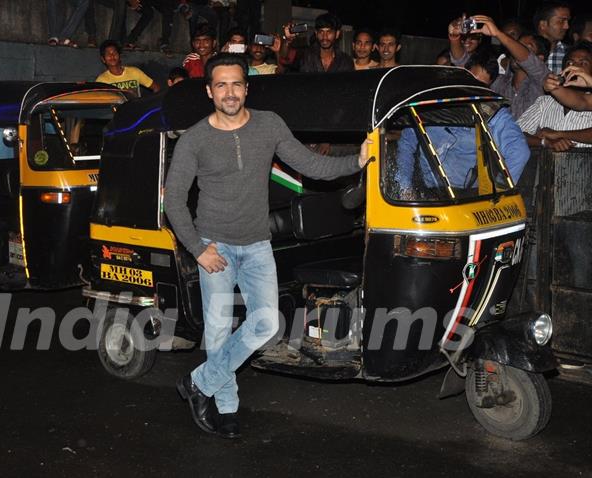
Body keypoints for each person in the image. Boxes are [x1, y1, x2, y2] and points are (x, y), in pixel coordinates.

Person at [165, 53, 370, 439]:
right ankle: (225, 407)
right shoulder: (195, 138)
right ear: (209, 91)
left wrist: (356, 161)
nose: (230, 92)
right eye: (221, 85)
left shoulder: (269, 125)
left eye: (236, 84)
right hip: (215, 246)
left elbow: (313, 166)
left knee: (266, 324)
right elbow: (173, 200)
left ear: (247, 87)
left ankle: (198, 383)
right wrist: (197, 248)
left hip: (258, 245)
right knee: (219, 331)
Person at [396, 106, 530, 196]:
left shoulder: (490, 111)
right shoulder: (427, 106)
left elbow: (519, 152)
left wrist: (499, 193)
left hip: (468, 196)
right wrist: (405, 188)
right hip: (430, 194)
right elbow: (406, 145)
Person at [470, 14, 551, 118]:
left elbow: (528, 60)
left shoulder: (542, 81)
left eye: (525, 48)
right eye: (517, 45)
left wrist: (498, 33)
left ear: (540, 58)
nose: (515, 51)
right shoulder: (500, 82)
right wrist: (455, 39)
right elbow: (467, 71)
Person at [518, 42, 592, 150]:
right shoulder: (545, 102)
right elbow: (515, 134)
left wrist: (560, 134)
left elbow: (582, 102)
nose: (575, 67)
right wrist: (544, 142)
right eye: (570, 63)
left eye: (583, 63)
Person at [285, 13, 353, 73]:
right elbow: (285, 58)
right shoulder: (305, 55)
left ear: (337, 34)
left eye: (329, 32)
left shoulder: (345, 61)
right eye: (321, 32)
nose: (325, 37)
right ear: (316, 33)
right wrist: (288, 40)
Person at [95, 40, 160, 96]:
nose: (112, 56)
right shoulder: (101, 80)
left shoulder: (135, 72)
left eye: (114, 53)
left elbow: (156, 87)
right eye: (108, 54)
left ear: (119, 56)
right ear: (103, 59)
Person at [533, 1, 571, 74]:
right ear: (543, 25)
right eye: (561, 21)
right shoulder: (526, 51)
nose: (567, 26)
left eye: (567, 21)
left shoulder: (570, 53)